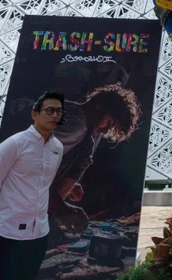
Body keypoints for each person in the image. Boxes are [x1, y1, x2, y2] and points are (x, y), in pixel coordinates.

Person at [0, 90, 65, 280]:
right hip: (7, 231)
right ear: (34, 114)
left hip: (39, 232)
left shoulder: (58, 147)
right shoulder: (14, 144)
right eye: (49, 110)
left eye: (58, 111)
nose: (55, 115)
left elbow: (45, 184)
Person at [50, 83, 142, 233]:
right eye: (109, 122)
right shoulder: (76, 124)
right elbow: (26, 164)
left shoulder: (84, 136)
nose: (105, 130)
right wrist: (58, 207)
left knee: (86, 151)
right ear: (98, 107)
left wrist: (68, 183)